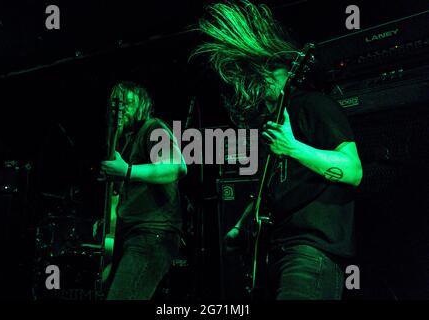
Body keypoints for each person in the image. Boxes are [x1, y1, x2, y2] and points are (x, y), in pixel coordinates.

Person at [193, 1, 363, 299]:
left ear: (288, 68)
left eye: (273, 67)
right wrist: (240, 226)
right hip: (273, 252)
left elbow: (352, 170)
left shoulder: (315, 105)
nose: (266, 75)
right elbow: (268, 191)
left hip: (310, 252)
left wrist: (293, 147)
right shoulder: (269, 125)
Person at [99, 81, 187, 300]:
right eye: (116, 105)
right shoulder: (126, 143)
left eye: (128, 103)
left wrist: (127, 171)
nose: (121, 109)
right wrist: (109, 220)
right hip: (131, 235)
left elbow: (177, 166)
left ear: (143, 105)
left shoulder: (153, 127)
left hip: (152, 234)